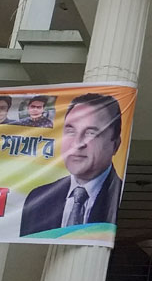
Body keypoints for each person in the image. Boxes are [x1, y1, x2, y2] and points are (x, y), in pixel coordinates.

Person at [20, 93, 125, 236]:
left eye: (91, 133)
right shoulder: (38, 198)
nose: (77, 143)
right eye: (70, 131)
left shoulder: (122, 197)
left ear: (115, 145)